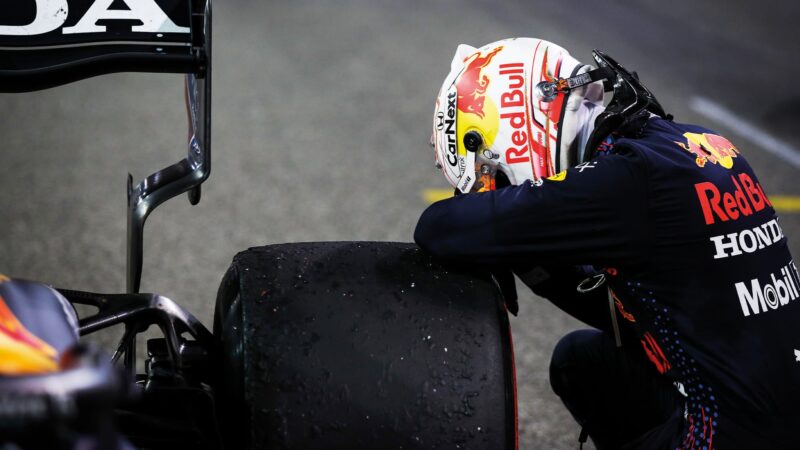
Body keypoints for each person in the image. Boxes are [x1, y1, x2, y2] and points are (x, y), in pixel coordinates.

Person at [415, 37, 800, 449]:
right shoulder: (696, 144)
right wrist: (533, 263)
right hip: (774, 401)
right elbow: (638, 315)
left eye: (493, 176)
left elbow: (439, 227)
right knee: (583, 360)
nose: (496, 188)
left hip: (741, 432)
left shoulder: (626, 183)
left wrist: (502, 229)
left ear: (515, 126)